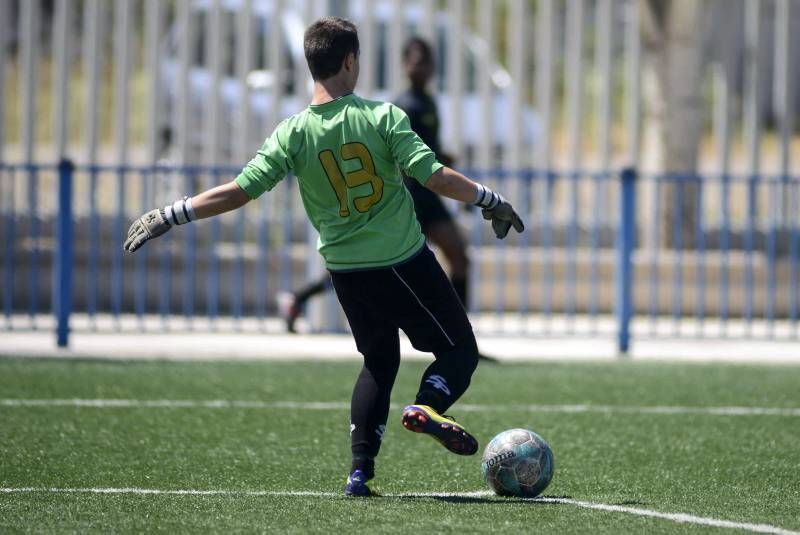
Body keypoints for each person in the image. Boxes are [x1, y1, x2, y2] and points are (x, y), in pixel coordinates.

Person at [124, 17, 524, 497]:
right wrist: (490, 200)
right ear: (350, 61)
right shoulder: (383, 117)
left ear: (311, 64)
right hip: (402, 260)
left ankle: (360, 473)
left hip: (346, 271)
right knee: (459, 350)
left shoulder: (292, 133)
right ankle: (427, 405)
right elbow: (434, 176)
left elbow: (239, 191)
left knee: (379, 361)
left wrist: (172, 212)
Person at [279, 37, 476, 343]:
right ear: (404, 65)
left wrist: (442, 155)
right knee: (374, 263)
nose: (420, 67)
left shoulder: (428, 101)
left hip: (428, 195)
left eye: (425, 61)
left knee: (458, 256)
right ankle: (299, 297)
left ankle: (461, 333)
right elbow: (405, 157)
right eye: (415, 61)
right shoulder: (402, 105)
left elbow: (425, 150)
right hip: (408, 196)